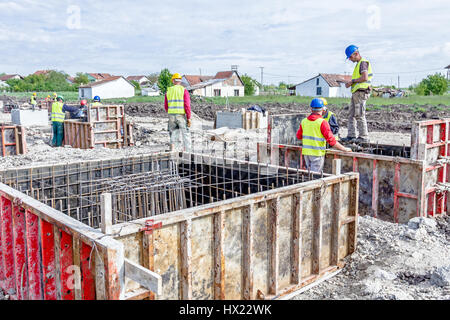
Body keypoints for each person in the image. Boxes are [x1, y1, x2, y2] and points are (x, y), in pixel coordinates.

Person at [297, 98, 351, 172]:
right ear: (322, 109)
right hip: (317, 154)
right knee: (314, 178)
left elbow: (299, 136)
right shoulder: (322, 122)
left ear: (311, 109)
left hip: (306, 154)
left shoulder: (304, 121)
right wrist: (344, 149)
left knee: (308, 175)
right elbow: (331, 141)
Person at [341, 45, 373, 143]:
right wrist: (352, 82)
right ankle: (351, 136)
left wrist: (352, 81)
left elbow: (365, 77)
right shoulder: (359, 64)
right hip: (356, 93)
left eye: (350, 57)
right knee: (351, 115)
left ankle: (364, 137)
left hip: (361, 92)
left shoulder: (363, 62)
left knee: (359, 115)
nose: (350, 59)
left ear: (356, 54)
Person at [164, 73, 192, 152]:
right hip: (181, 116)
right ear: (180, 81)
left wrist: (170, 112)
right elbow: (187, 105)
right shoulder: (184, 90)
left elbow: (166, 106)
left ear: (173, 81)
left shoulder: (168, 91)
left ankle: (173, 151)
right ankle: (187, 152)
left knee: (173, 134)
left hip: (171, 116)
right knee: (185, 134)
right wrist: (189, 117)